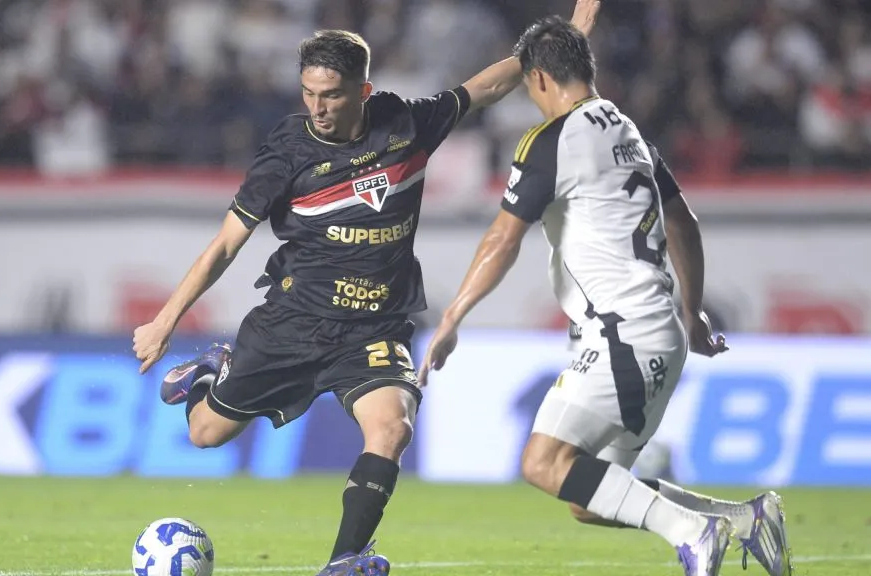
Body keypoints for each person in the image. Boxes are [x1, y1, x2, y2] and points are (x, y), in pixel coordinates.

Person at [132, 4, 601, 575]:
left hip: (373, 327)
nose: (317, 108)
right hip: (293, 321)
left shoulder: (405, 124)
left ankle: (344, 560)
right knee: (205, 434)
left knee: (393, 427)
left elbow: (485, 87)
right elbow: (225, 244)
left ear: (363, 90)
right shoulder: (286, 153)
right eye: (308, 93)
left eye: (331, 95)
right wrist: (166, 321)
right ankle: (214, 368)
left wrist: (564, 46)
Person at [418, 14, 793, 576]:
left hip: (622, 333)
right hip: (660, 332)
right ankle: (743, 519)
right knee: (588, 496)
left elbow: (503, 237)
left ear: (538, 79)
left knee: (542, 462)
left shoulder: (551, 140)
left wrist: (452, 316)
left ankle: (694, 532)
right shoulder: (629, 132)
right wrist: (691, 313)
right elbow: (684, 223)